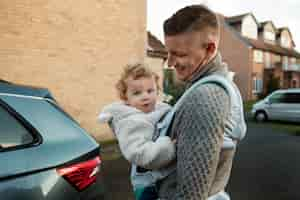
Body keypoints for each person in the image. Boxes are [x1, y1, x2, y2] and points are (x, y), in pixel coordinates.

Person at [156, 4, 247, 200]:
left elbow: (191, 196)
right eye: (168, 53)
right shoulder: (214, 86)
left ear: (210, 48)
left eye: (179, 54)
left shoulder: (205, 98)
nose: (170, 63)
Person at [98, 63, 175, 200]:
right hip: (148, 186)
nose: (145, 96)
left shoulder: (159, 109)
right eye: (137, 93)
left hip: (162, 178)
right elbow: (140, 154)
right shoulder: (129, 122)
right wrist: (169, 146)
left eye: (150, 91)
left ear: (157, 91)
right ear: (125, 98)